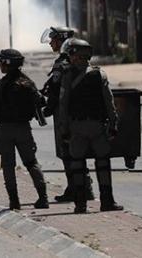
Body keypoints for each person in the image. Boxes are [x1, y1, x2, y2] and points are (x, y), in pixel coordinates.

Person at [58, 38, 123, 214]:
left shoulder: (68, 76)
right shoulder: (99, 74)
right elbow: (109, 102)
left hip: (77, 128)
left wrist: (64, 129)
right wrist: (113, 124)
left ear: (76, 56)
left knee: (77, 165)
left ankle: (80, 204)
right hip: (98, 127)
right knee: (103, 164)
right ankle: (107, 202)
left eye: (71, 54)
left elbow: (63, 105)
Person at [0, 49, 49, 210]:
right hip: (23, 128)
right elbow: (41, 102)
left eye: (2, 62)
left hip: (5, 129)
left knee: (8, 166)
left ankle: (14, 201)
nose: (0, 65)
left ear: (7, 64)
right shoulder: (28, 84)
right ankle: (43, 198)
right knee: (31, 162)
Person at [40, 26, 94, 203]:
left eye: (53, 39)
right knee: (77, 151)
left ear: (61, 40)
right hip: (78, 113)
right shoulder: (78, 59)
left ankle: (76, 188)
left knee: (67, 152)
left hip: (64, 114)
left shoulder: (63, 62)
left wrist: (47, 108)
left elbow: (57, 90)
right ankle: (84, 187)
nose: (51, 43)